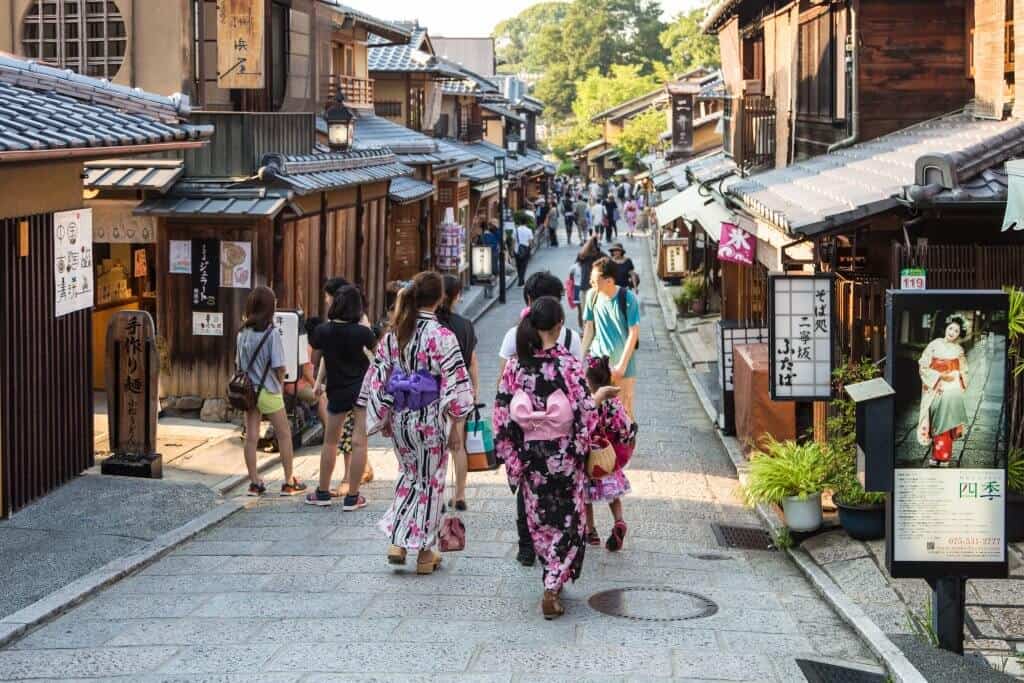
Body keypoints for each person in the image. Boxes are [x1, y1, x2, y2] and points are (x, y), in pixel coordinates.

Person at [359, 271, 475, 574]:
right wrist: (457, 422)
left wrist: (382, 413)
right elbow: (456, 383)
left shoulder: (396, 332)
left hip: (401, 418)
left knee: (408, 477)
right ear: (439, 298)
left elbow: (379, 376)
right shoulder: (441, 336)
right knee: (430, 483)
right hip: (430, 419)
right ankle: (424, 553)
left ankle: (398, 541)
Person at [493, 296, 599, 619]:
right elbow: (586, 411)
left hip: (530, 458)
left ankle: (551, 576)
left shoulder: (516, 365)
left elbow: (501, 414)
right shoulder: (567, 364)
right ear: (559, 326)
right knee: (569, 520)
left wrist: (511, 457)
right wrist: (581, 447)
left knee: (539, 522)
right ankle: (553, 583)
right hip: (564, 456)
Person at [497, 271, 584, 568]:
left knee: (530, 499)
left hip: (528, 445)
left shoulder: (515, 348)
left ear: (530, 302)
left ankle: (528, 545)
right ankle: (554, 575)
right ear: (559, 317)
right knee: (565, 506)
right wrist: (582, 445)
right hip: (562, 448)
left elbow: (503, 399)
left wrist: (507, 449)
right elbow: (581, 401)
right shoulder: (571, 349)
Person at [304, 285, 374, 508]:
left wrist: (317, 383)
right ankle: (353, 496)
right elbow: (376, 356)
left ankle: (322, 492)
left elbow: (319, 351)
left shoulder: (324, 331)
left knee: (330, 441)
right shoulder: (363, 333)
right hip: (360, 391)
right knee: (359, 442)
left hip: (336, 391)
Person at [236, 286, 306, 497]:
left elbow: (238, 364)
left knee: (251, 437)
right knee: (285, 435)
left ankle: (255, 482)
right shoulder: (271, 333)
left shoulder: (242, 333)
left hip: (248, 391)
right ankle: (288, 482)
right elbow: (279, 366)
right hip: (268, 390)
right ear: (269, 308)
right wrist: (280, 383)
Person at [583, 356, 637, 551]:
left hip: (590, 459)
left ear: (589, 381)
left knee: (584, 497)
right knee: (614, 495)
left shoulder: (590, 403)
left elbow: (582, 428)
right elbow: (624, 427)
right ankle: (619, 522)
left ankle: (591, 532)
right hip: (608, 457)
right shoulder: (614, 403)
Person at [437, 275, 479, 510]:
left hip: (433, 390)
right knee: (457, 445)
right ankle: (460, 495)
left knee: (436, 446)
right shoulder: (465, 325)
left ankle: (438, 496)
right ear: (456, 296)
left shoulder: (431, 325)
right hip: (460, 390)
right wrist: (476, 389)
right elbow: (472, 361)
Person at [582, 257, 641, 418]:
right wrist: (579, 357)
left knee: (624, 414)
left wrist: (621, 366)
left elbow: (633, 333)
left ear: (608, 281)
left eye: (594, 280)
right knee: (597, 411)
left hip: (622, 367)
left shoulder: (627, 298)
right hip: (598, 365)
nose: (590, 283)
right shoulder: (592, 296)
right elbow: (589, 328)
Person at [916, 316, 970, 467]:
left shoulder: (958, 350)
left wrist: (955, 377)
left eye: (956, 331)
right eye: (951, 328)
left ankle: (943, 456)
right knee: (934, 419)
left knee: (946, 420)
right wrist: (938, 379)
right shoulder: (934, 344)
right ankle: (936, 454)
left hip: (951, 388)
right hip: (935, 386)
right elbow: (923, 365)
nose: (952, 332)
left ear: (959, 334)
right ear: (946, 328)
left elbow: (964, 370)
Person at [575, 237, 606, 329]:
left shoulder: (601, 256)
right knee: (585, 314)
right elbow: (582, 253)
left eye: (590, 245)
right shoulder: (584, 257)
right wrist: (591, 239)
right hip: (584, 289)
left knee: (597, 314)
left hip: (598, 290)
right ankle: (587, 332)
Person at [513, 220, 533, 285]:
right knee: (523, 266)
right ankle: (521, 280)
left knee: (518, 265)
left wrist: (512, 250)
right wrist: (530, 249)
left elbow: (513, 240)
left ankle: (521, 279)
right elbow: (530, 241)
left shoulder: (515, 230)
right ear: (526, 224)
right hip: (525, 250)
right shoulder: (529, 230)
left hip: (517, 249)